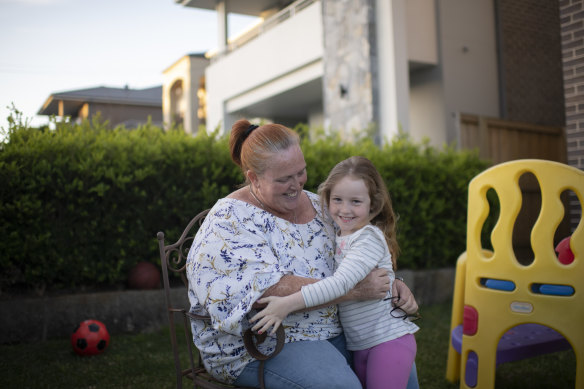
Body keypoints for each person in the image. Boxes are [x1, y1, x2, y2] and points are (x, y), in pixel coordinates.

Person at [186, 119, 420, 389]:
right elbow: (266, 292)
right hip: (263, 343)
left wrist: (393, 283)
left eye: (301, 172)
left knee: (402, 371)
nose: (296, 185)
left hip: (338, 328)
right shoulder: (229, 221)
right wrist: (356, 291)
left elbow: (358, 250)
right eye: (284, 179)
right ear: (254, 178)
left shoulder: (319, 206)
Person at [251, 156, 419, 389]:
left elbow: (339, 284)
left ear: (373, 204)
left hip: (387, 341)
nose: (345, 210)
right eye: (337, 199)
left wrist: (286, 305)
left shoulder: (366, 238)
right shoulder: (342, 233)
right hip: (360, 345)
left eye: (356, 202)